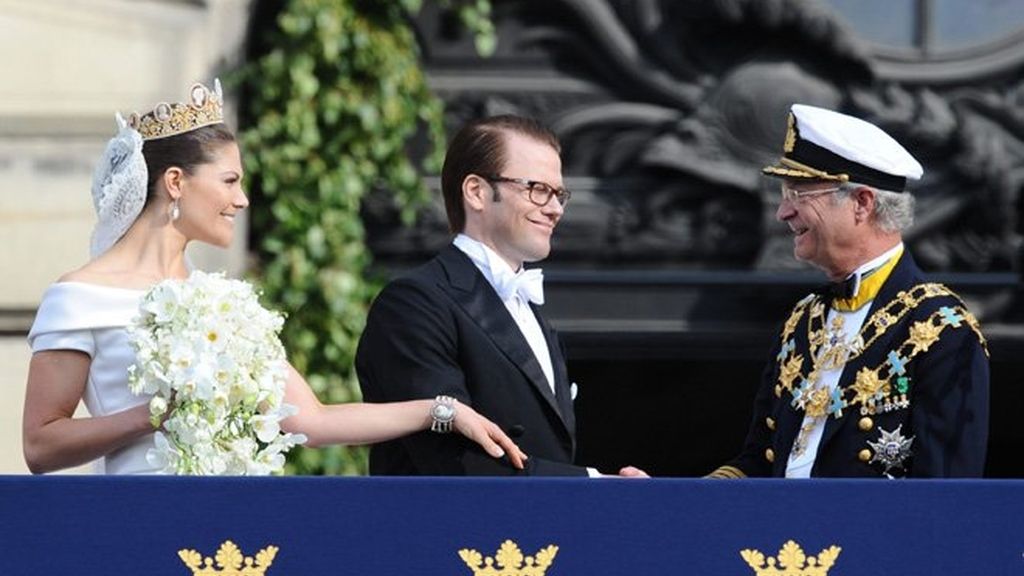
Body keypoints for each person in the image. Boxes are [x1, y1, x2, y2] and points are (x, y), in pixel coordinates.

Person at [22, 80, 526, 475]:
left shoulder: (225, 306)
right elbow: (41, 445)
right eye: (230, 181)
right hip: (138, 521)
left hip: (242, 530)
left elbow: (312, 420)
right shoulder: (82, 296)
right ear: (175, 182)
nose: (242, 200)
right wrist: (153, 416)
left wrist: (441, 411)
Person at [708, 104, 989, 478]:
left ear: (862, 203)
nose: (782, 212)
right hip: (780, 535)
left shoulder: (940, 328)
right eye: (784, 193)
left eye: (800, 193)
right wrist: (668, 496)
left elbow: (943, 498)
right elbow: (759, 463)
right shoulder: (802, 322)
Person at [356, 114, 645, 477]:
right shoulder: (414, 303)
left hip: (538, 530)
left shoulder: (530, 312)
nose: (555, 208)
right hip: (453, 532)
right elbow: (453, 459)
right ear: (476, 192)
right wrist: (593, 484)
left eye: (559, 194)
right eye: (537, 189)